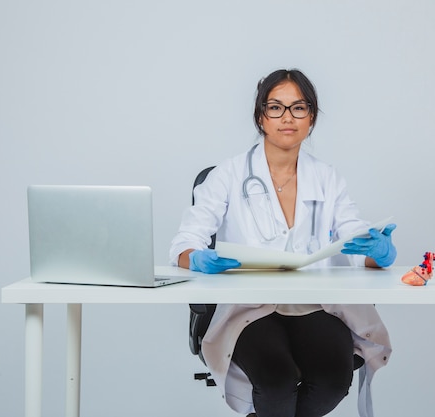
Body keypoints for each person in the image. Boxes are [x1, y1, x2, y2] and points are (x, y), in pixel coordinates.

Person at [169, 68, 396, 417]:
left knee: (333, 381)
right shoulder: (227, 176)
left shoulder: (327, 178)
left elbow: (353, 239)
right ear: (261, 116)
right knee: (276, 382)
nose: (287, 118)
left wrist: (376, 251)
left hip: (315, 304)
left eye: (298, 108)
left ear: (312, 117)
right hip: (250, 306)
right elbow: (185, 241)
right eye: (276, 108)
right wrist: (196, 257)